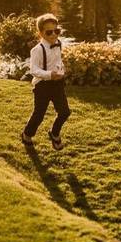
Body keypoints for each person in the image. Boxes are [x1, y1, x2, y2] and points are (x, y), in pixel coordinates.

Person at [21, 13, 71, 150]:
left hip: (57, 84)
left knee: (65, 111)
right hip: (42, 86)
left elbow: (57, 60)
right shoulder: (37, 50)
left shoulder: (58, 44)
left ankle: (54, 133)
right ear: (41, 33)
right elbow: (33, 70)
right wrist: (49, 74)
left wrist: (61, 70)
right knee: (39, 114)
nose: (54, 35)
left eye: (57, 31)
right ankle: (27, 134)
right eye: (49, 32)